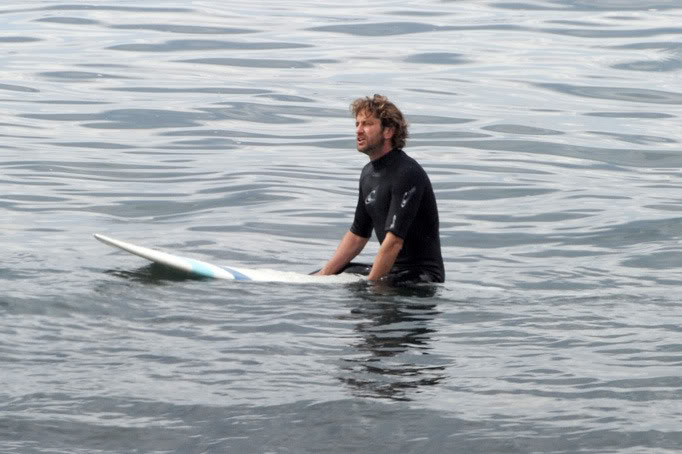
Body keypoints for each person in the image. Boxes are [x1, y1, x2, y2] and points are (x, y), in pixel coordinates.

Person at [317, 94, 445, 284]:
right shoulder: (368, 174)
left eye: (367, 124)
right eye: (357, 124)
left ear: (388, 132)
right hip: (393, 270)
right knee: (334, 273)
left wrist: (372, 285)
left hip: (422, 276)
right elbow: (357, 235)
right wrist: (321, 277)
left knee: (368, 289)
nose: (359, 131)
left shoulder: (407, 173)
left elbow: (394, 242)